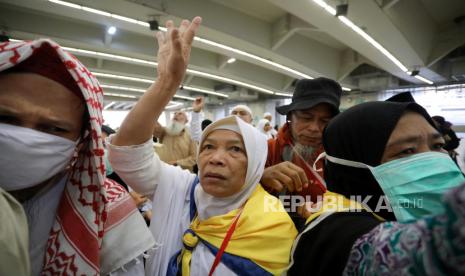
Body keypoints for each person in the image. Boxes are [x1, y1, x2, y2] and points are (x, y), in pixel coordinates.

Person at [107, 17, 297, 275]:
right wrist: (166, 83)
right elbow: (126, 153)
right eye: (208, 147)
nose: (216, 158)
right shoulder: (182, 190)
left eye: (235, 149)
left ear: (255, 166)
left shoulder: (271, 226)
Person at [0, 39, 154, 275]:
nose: (26, 138)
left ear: (81, 141)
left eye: (53, 129)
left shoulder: (107, 212)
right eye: (6, 119)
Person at [290, 101, 465, 275]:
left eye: (438, 146)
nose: (434, 161)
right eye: (407, 150)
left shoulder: (397, 212)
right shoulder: (335, 233)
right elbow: (416, 255)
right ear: (356, 167)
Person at [261, 78, 342, 227]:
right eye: (306, 118)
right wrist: (260, 177)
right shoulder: (267, 150)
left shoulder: (342, 154)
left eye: (324, 121)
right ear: (290, 117)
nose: (314, 128)